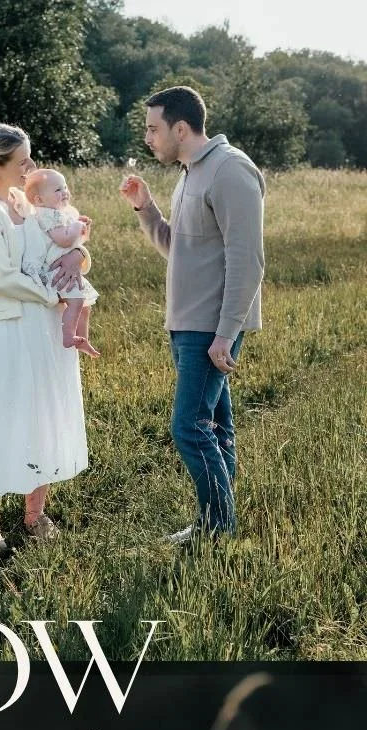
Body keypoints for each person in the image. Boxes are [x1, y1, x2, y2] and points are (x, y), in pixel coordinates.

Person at [120, 86, 265, 543]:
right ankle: (219, 523)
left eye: (153, 129)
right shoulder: (190, 173)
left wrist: (226, 332)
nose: (148, 138)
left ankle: (217, 528)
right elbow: (179, 248)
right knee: (215, 426)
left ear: (180, 128)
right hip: (186, 323)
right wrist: (145, 208)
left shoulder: (230, 169)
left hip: (210, 326)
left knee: (189, 428)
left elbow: (248, 260)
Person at [0, 124, 90, 556]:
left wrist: (78, 254)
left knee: (41, 413)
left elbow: (60, 240)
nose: (31, 166)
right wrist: (52, 295)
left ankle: (35, 513)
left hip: (41, 327)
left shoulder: (23, 200)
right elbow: (2, 276)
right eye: (22, 160)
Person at [24, 169, 100, 357]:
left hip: (65, 268)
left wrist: (80, 226)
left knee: (84, 305)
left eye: (65, 187)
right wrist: (76, 226)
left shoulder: (60, 213)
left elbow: (76, 241)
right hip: (56, 270)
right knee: (77, 302)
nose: (65, 192)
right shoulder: (47, 215)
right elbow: (64, 240)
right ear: (39, 200)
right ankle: (68, 336)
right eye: (58, 190)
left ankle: (82, 339)